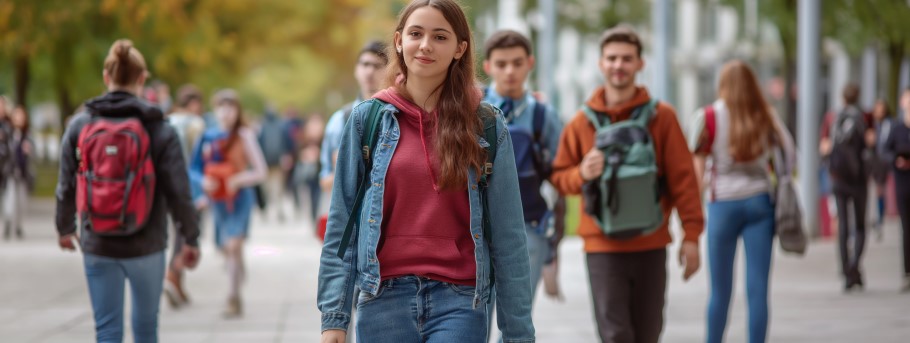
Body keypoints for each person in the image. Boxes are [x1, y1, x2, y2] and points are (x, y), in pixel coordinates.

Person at [317, 0, 535, 342]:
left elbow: (509, 239)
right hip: (382, 297)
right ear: (400, 41)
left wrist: (518, 333)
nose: (426, 45)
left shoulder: (486, 124)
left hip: (461, 301)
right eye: (416, 34)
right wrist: (334, 317)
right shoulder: (366, 120)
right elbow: (342, 225)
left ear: (460, 48)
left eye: (440, 36)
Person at [549, 25, 704, 343]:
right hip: (602, 247)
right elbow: (559, 178)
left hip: (652, 241)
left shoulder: (663, 117)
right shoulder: (581, 122)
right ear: (601, 64)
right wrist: (582, 173)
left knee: (649, 333)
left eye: (626, 58)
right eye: (612, 58)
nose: (618, 65)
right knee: (615, 334)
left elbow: (683, 180)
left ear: (640, 64)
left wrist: (692, 236)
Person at [55, 39, 201, 343]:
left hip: (97, 240)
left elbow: (66, 183)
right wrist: (190, 238)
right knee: (146, 330)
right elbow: (180, 191)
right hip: (146, 244)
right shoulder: (159, 128)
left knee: (107, 330)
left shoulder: (81, 123)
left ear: (106, 77)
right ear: (142, 78)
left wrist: (64, 228)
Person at [690, 61, 795, 343]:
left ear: (722, 84)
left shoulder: (708, 117)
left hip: (722, 205)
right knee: (758, 289)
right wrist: (777, 177)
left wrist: (694, 210)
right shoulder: (765, 115)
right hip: (760, 203)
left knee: (720, 291)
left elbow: (697, 173)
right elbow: (788, 151)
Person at [481, 29, 566, 308]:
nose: (509, 72)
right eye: (501, 64)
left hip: (529, 227)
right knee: (474, 320)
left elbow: (559, 174)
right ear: (487, 66)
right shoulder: (469, 109)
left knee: (518, 317)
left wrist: (555, 246)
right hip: (476, 227)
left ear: (530, 63)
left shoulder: (544, 115)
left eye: (517, 63)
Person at [189, 91, 267, 318]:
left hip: (240, 199)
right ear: (214, 109)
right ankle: (237, 273)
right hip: (218, 202)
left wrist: (238, 179)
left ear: (237, 110)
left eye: (230, 107)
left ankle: (233, 298)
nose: (226, 112)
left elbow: (259, 171)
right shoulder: (208, 136)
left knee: (233, 245)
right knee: (226, 248)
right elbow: (194, 169)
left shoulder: (244, 135)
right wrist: (203, 184)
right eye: (221, 107)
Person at [819, 83, 875, 292]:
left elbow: (823, 147)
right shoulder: (865, 117)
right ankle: (854, 266)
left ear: (842, 97)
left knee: (843, 224)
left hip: (838, 178)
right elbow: (871, 144)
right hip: (859, 179)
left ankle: (846, 270)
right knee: (860, 225)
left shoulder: (832, 117)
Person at [162, 84, 208, 308]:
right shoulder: (196, 124)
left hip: (167, 186)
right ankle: (172, 274)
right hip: (190, 187)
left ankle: (177, 282)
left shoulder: (168, 121)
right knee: (188, 235)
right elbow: (200, 161)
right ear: (195, 103)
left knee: (177, 233)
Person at [882, 88, 910, 292]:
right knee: (906, 228)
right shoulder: (897, 128)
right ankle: (907, 271)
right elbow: (885, 152)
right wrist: (896, 160)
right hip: (903, 184)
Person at [3, 105, 34, 240]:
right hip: (10, 171)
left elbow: (32, 154)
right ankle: (8, 223)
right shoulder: (8, 133)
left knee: (21, 200)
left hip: (22, 172)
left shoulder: (27, 135)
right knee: (10, 199)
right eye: (17, 116)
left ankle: (18, 225)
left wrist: (28, 151)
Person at [870, 99, 893, 240]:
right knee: (875, 192)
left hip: (883, 164)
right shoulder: (872, 126)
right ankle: (875, 219)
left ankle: (879, 219)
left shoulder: (890, 125)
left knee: (880, 192)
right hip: (873, 164)